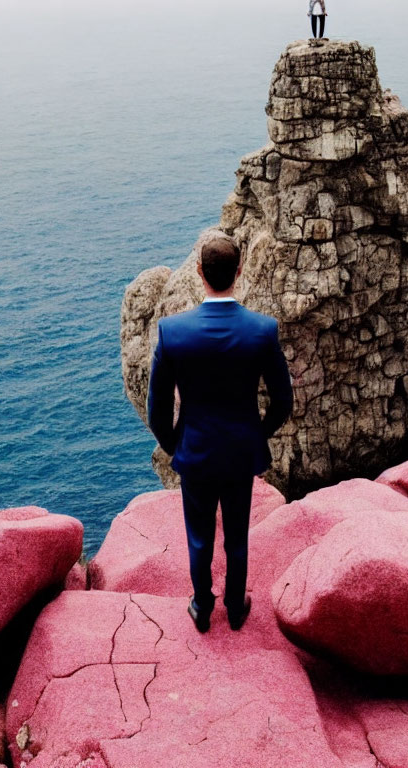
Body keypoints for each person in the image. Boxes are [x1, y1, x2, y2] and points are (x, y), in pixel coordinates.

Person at [147, 232, 293, 633]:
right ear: (239, 271)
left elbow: (156, 408)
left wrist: (173, 442)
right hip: (240, 453)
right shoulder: (262, 330)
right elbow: (283, 402)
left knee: (199, 537)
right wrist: (255, 433)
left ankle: (202, 606)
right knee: (238, 535)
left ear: (199, 273)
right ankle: (235, 606)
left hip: (194, 451)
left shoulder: (172, 332)